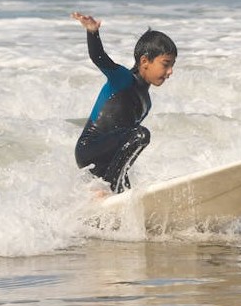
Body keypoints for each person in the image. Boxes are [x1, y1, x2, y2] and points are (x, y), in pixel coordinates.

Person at [73, 11, 177, 193]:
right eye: (165, 64)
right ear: (145, 61)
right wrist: (92, 32)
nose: (170, 72)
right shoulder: (122, 79)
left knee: (128, 192)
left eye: (172, 65)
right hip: (90, 150)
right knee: (140, 135)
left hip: (108, 161)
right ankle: (109, 189)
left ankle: (109, 196)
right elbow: (99, 57)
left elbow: (125, 149)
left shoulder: (147, 102)